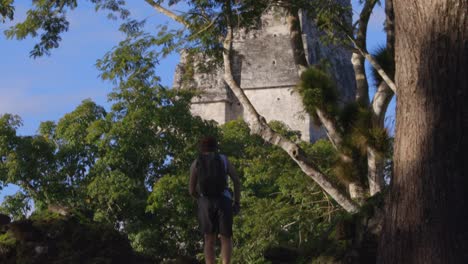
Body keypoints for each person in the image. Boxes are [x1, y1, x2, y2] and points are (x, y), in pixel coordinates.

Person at [189, 136, 241, 264]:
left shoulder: (196, 162)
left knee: (208, 239)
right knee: (225, 237)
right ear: (215, 147)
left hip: (205, 201)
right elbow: (236, 180)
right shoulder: (223, 160)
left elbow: (191, 190)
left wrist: (200, 199)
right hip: (224, 200)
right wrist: (237, 202)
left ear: (201, 148)